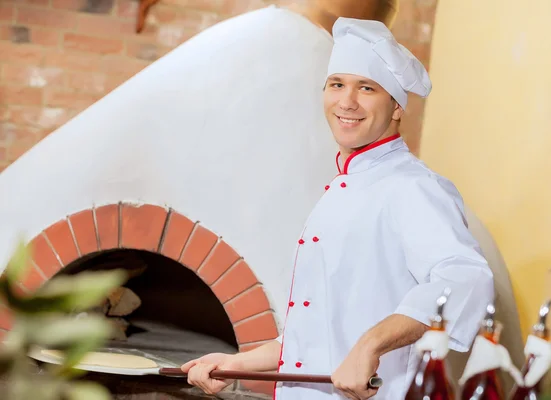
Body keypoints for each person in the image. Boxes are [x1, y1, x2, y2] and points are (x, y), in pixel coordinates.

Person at [182, 17, 495, 400]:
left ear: (396, 107)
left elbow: (466, 279)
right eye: (337, 85)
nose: (347, 101)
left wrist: (371, 345)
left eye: (367, 88)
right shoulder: (342, 187)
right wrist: (234, 364)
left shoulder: (412, 188)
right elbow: (317, 338)